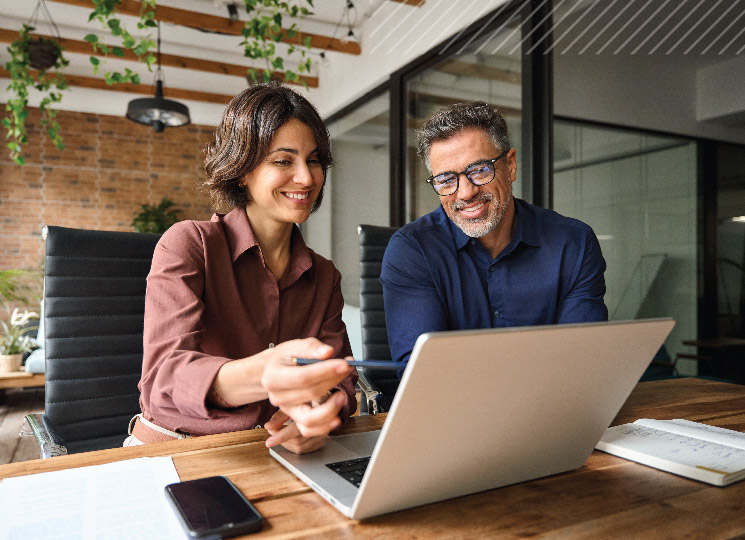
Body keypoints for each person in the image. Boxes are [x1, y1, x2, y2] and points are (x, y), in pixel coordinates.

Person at [126, 83, 357, 454]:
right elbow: (163, 379)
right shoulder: (189, 244)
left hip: (272, 453)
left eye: (313, 160)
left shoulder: (324, 276)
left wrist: (321, 416)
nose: (307, 177)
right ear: (243, 170)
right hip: (178, 451)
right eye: (284, 160)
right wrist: (262, 375)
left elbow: (341, 379)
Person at [380, 101, 608, 366]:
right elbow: (420, 372)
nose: (465, 193)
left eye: (479, 170)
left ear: (510, 165)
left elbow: (581, 360)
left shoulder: (573, 243)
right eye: (445, 180)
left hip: (554, 405)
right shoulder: (412, 251)